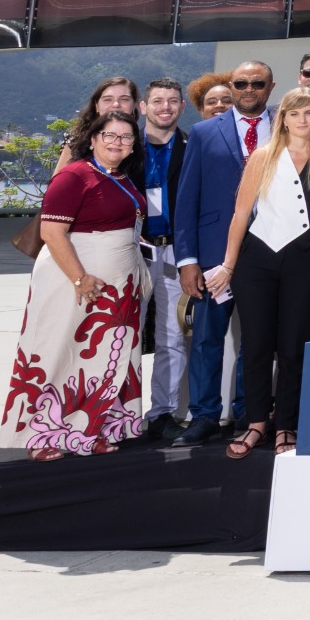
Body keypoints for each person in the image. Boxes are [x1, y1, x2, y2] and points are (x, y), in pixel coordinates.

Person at [0, 99, 147, 460]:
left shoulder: (122, 177)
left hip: (118, 287)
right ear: (93, 138)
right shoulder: (74, 175)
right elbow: (52, 233)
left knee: (106, 361)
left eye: (127, 137)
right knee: (57, 350)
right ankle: (42, 437)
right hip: (76, 280)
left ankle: (91, 430)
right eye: (109, 135)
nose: (118, 143)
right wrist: (80, 279)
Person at [205, 87, 310, 458]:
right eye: (295, 113)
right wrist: (229, 265)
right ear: (282, 117)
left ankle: (286, 425)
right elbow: (240, 213)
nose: (303, 119)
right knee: (255, 345)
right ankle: (255, 424)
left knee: (294, 347)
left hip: (306, 259)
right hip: (256, 260)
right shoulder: (263, 156)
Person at [171, 68, 268, 444]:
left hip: (266, 252)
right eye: (240, 84)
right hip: (212, 252)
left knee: (257, 338)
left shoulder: (283, 126)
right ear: (232, 88)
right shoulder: (203, 132)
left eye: (257, 84)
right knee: (207, 337)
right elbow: (187, 197)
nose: (247, 90)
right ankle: (205, 415)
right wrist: (187, 259)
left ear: (268, 88)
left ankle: (249, 411)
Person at [133, 77, 193, 441]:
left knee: (172, 336)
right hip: (132, 249)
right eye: (157, 101)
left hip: (175, 249)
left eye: (173, 101)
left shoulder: (192, 146)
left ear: (182, 107)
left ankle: (163, 412)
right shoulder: (125, 144)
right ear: (144, 107)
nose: (165, 107)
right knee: (124, 335)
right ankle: (117, 412)